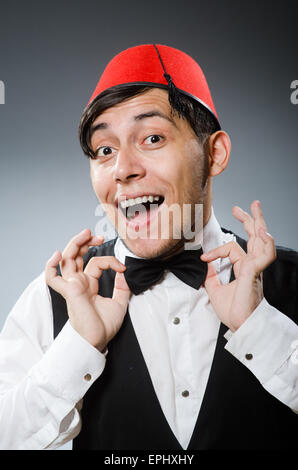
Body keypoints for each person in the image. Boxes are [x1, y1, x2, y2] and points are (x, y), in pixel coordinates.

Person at [0, 44, 297, 451]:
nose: (122, 169)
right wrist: (79, 345)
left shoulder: (293, 281)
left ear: (214, 153)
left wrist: (261, 329)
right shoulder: (56, 297)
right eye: (105, 150)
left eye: (152, 138)